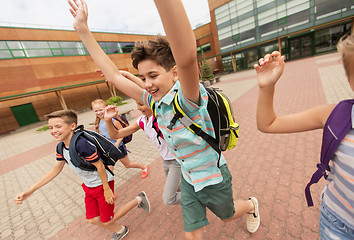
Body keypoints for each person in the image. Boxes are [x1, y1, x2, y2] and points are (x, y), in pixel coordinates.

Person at [67, 0, 260, 239]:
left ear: (174, 73)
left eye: (153, 75)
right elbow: (114, 76)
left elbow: (187, 57)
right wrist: (84, 31)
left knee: (228, 214)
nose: (147, 84)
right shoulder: (154, 102)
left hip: (212, 177)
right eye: (142, 77)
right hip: (189, 179)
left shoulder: (189, 98)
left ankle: (251, 205)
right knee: (191, 232)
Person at [255, 29, 354, 239]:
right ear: (349, 80)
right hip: (338, 224)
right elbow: (268, 123)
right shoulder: (337, 116)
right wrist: (267, 86)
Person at [14, 109, 150, 240]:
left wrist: (107, 189)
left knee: (108, 220)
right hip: (89, 186)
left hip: (102, 183)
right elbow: (55, 169)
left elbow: (100, 166)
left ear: (72, 126)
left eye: (58, 126)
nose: (54, 131)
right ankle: (120, 230)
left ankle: (138, 200)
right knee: (93, 220)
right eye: (50, 128)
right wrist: (30, 191)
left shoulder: (81, 144)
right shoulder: (60, 147)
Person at [105, 97, 181, 205]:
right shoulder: (142, 121)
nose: (138, 108)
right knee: (177, 186)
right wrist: (108, 120)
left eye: (141, 104)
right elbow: (115, 134)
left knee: (169, 198)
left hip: (177, 160)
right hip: (166, 160)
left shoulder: (161, 115)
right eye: (137, 104)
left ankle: (200, 196)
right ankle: (197, 190)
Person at [91, 98, 149, 178]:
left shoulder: (113, 120)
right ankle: (108, 185)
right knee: (109, 167)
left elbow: (122, 133)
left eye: (100, 110)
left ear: (106, 108)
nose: (98, 112)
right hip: (108, 150)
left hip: (118, 148)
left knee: (128, 165)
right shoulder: (99, 122)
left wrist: (117, 144)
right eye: (96, 111)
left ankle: (144, 167)